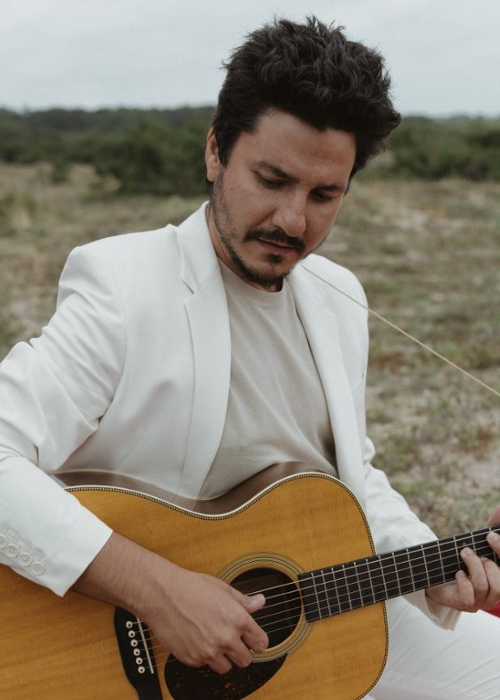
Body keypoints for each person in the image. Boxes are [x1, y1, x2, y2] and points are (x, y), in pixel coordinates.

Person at [0, 16, 499, 699]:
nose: (293, 221)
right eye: (272, 179)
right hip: (108, 647)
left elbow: (352, 478)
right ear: (216, 152)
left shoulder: (339, 298)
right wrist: (158, 591)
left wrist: (429, 569)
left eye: (324, 195)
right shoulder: (124, 286)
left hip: (309, 621)